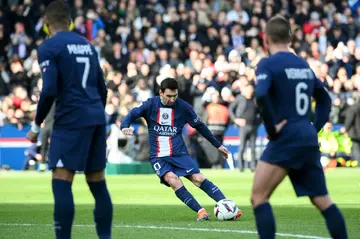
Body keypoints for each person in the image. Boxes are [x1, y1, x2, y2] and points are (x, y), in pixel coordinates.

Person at [251, 16, 348, 239]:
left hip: (286, 137)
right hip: (307, 135)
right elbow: (324, 99)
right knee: (323, 200)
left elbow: (261, 94)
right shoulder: (302, 64)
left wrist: (272, 129)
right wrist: (315, 127)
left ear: (266, 39)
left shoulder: (268, 63)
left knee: (259, 196)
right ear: (290, 38)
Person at [26, 1, 113, 238]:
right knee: (97, 181)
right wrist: (96, 114)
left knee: (62, 179)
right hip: (96, 116)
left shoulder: (49, 47)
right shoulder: (87, 45)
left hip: (70, 119)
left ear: (46, 23)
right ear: (70, 22)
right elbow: (102, 88)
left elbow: (50, 89)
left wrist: (36, 125)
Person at [121, 77, 242, 221]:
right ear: (160, 92)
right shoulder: (150, 104)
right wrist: (124, 126)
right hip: (158, 156)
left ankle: (227, 206)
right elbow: (131, 114)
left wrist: (218, 145)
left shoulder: (183, 107)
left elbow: (200, 126)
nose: (172, 99)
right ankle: (201, 211)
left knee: (198, 178)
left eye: (175, 95)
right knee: (172, 179)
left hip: (178, 152)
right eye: (169, 96)